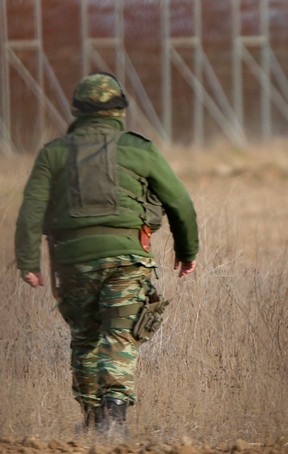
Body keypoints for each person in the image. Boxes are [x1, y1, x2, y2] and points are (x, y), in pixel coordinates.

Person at [14, 72, 199, 435]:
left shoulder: (54, 152)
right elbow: (180, 202)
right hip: (127, 260)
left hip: (73, 262)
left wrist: (28, 261)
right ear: (119, 111)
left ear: (77, 110)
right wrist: (186, 251)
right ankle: (113, 421)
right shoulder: (138, 149)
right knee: (120, 335)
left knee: (84, 336)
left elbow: (31, 209)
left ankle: (90, 420)